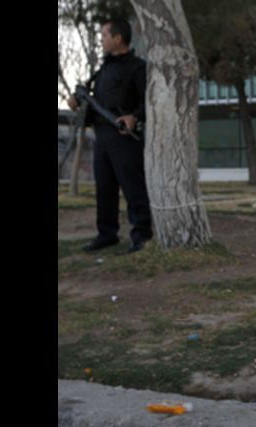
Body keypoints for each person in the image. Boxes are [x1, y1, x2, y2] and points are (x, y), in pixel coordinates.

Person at [67, 19, 152, 253]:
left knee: (133, 187)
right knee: (104, 188)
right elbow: (92, 101)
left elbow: (149, 101)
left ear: (118, 38)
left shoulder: (138, 67)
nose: (101, 39)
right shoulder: (102, 70)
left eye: (104, 35)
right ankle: (106, 234)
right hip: (102, 136)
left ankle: (142, 234)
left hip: (125, 137)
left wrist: (134, 117)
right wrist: (76, 100)